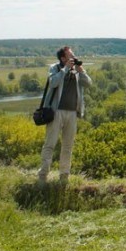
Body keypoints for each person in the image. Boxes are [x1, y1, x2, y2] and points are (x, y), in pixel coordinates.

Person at [37, 46, 92, 185]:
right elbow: (53, 82)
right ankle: (43, 176)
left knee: (68, 146)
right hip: (56, 112)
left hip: (72, 112)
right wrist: (65, 69)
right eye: (70, 56)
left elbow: (88, 84)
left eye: (73, 55)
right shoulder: (55, 68)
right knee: (50, 144)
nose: (74, 58)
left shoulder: (76, 71)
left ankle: (64, 177)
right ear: (63, 58)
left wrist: (82, 71)